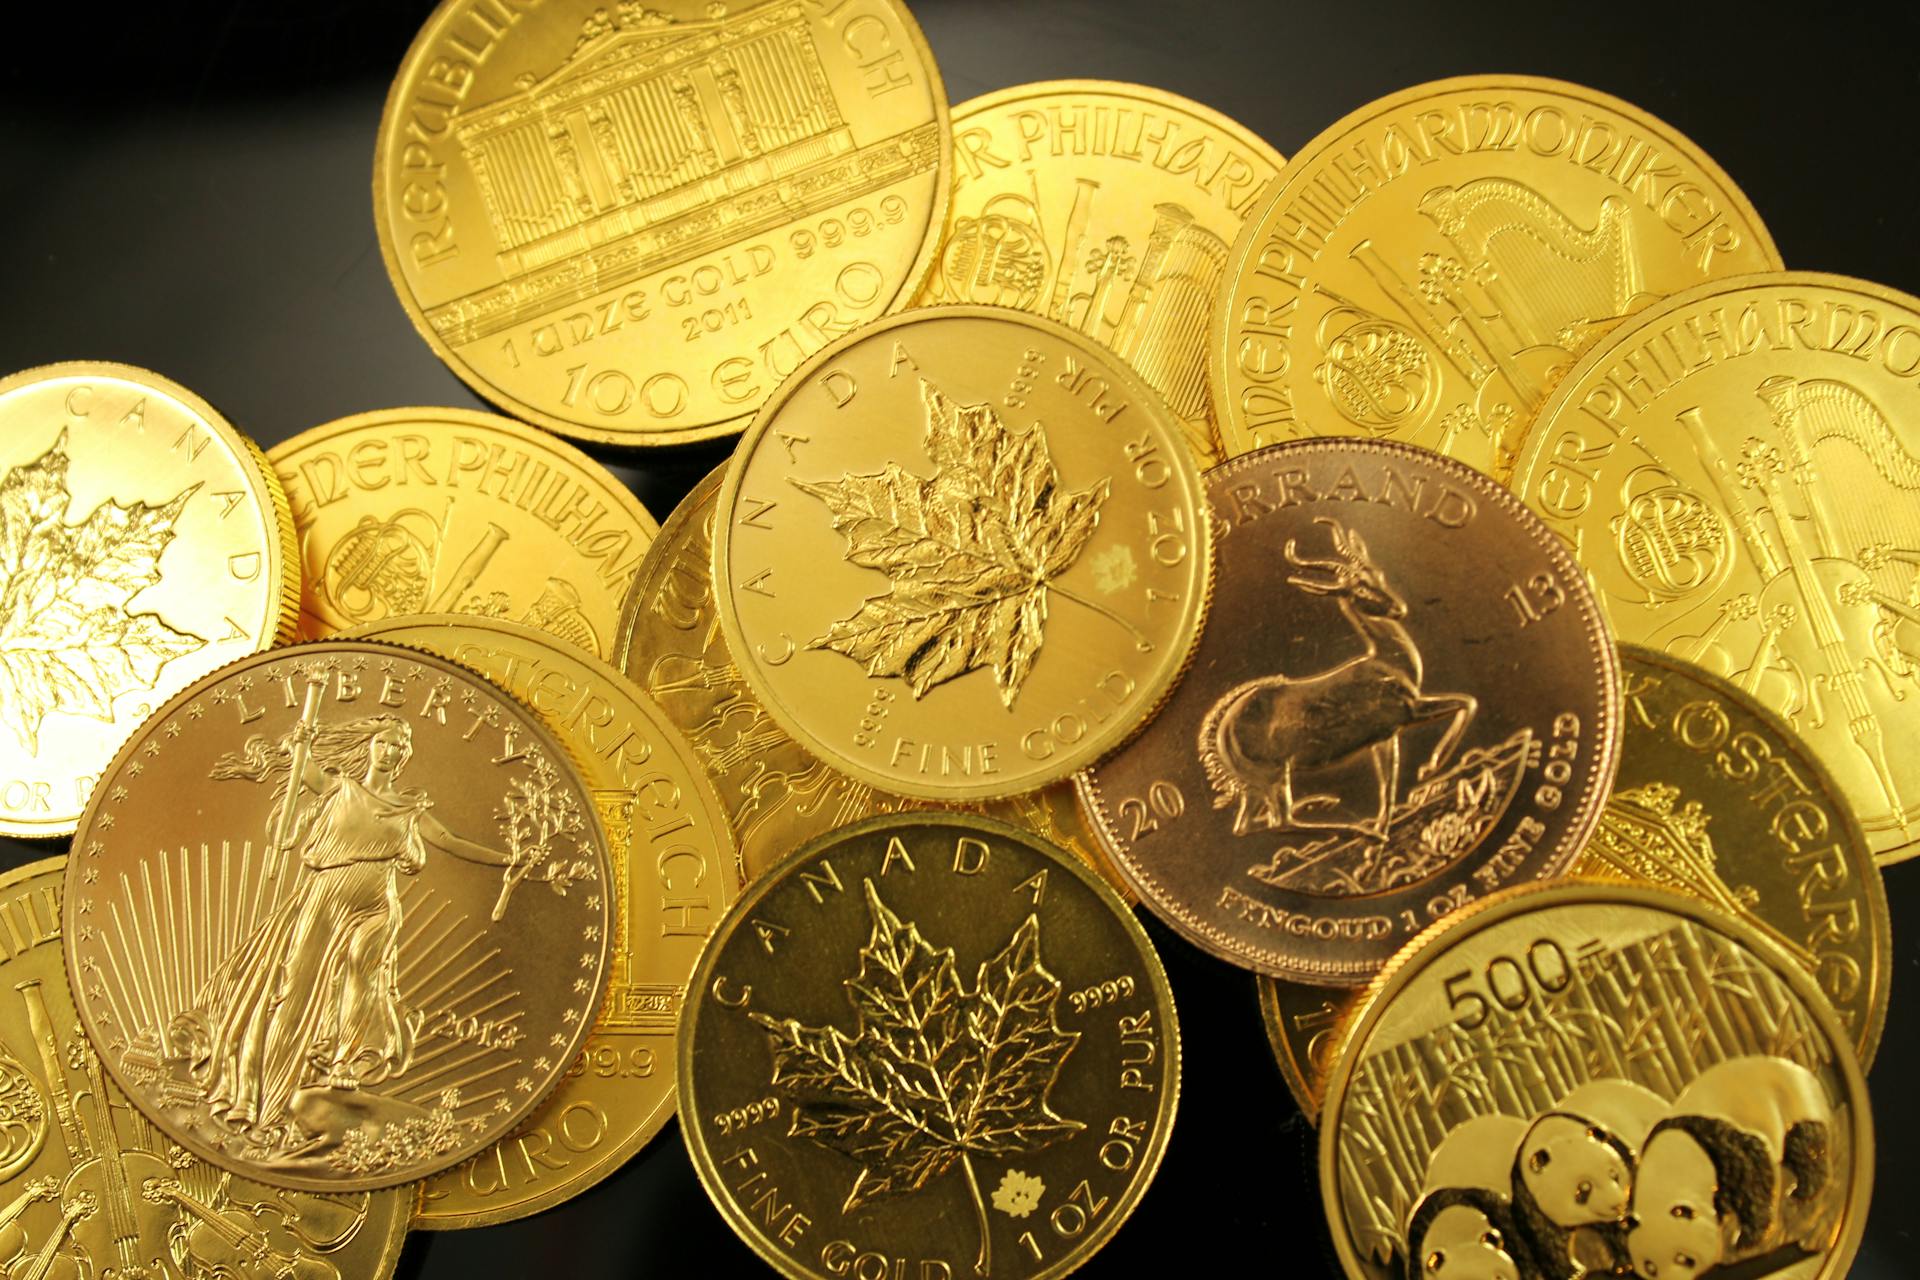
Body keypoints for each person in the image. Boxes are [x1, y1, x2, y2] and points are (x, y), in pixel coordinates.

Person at [176, 710, 515, 1149]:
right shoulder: (341, 788)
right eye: (383, 743)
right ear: (369, 747)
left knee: (362, 973)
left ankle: (344, 1063)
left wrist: (506, 860)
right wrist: (299, 745)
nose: (390, 751)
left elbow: (450, 841)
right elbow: (308, 770)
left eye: (398, 745)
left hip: (378, 902)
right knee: (293, 989)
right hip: (325, 897)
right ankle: (263, 1100)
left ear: (406, 754)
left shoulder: (410, 809)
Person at [1625, 1057, 1835, 1279]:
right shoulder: (1668, 1166)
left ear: (1685, 1212)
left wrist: (1753, 1228)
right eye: (1651, 1270)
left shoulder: (1718, 1156)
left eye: (1684, 1261)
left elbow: (1756, 1162)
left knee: (1806, 1172)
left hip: (1790, 1100)